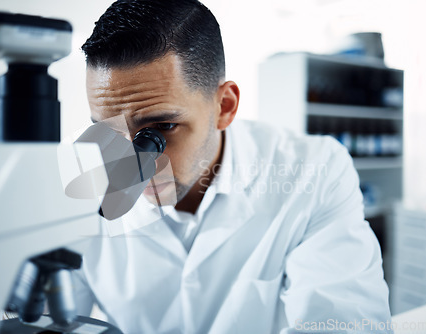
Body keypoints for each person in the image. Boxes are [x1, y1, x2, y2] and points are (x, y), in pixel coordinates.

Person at [73, 0, 392, 333]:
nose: (130, 165)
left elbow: (347, 323)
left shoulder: (314, 172)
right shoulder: (78, 186)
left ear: (224, 106)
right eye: (110, 132)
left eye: (161, 128)